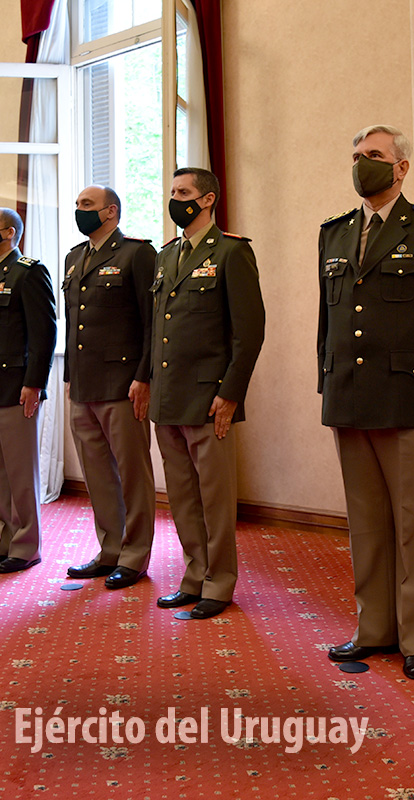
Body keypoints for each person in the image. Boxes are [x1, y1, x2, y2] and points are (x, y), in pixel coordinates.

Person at [317, 125, 414, 680]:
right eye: (357, 156)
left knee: (412, 526)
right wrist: (327, 381)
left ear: (402, 167)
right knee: (365, 525)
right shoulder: (334, 234)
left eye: (376, 156)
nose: (364, 164)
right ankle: (373, 629)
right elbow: (329, 319)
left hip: (411, 399)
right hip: (349, 399)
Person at [149, 167, 265, 619]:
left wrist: (231, 393)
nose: (175, 199)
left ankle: (219, 583)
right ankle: (194, 574)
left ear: (208, 199)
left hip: (209, 399)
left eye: (184, 192)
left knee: (214, 499)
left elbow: (249, 333)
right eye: (172, 191)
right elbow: (157, 330)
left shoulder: (232, 252)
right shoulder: (165, 256)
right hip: (168, 396)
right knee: (181, 496)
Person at [62, 185, 156, 589]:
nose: (80, 210)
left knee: (132, 475)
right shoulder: (74, 257)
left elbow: (153, 322)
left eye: (88, 205)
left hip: (123, 383)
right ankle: (110, 549)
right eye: (78, 204)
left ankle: (135, 556)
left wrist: (144, 376)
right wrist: (70, 378)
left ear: (111, 212)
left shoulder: (137, 253)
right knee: (97, 474)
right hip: (83, 383)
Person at [0, 208, 57, 574]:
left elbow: (44, 332)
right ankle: (6, 538)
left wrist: (34, 383)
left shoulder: (28, 272)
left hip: (15, 386)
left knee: (21, 473)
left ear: (9, 233)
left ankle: (26, 545)